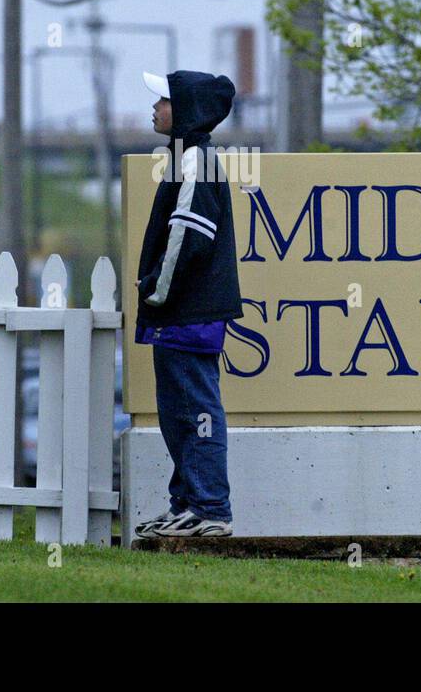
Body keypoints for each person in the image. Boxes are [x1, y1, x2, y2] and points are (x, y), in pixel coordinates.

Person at [132, 69, 243, 537]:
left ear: (186, 109)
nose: (154, 109)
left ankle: (210, 509)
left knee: (196, 409)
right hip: (179, 311)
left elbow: (190, 235)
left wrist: (157, 289)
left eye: (162, 100)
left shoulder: (197, 160)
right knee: (178, 411)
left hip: (188, 310)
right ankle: (187, 504)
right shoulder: (185, 158)